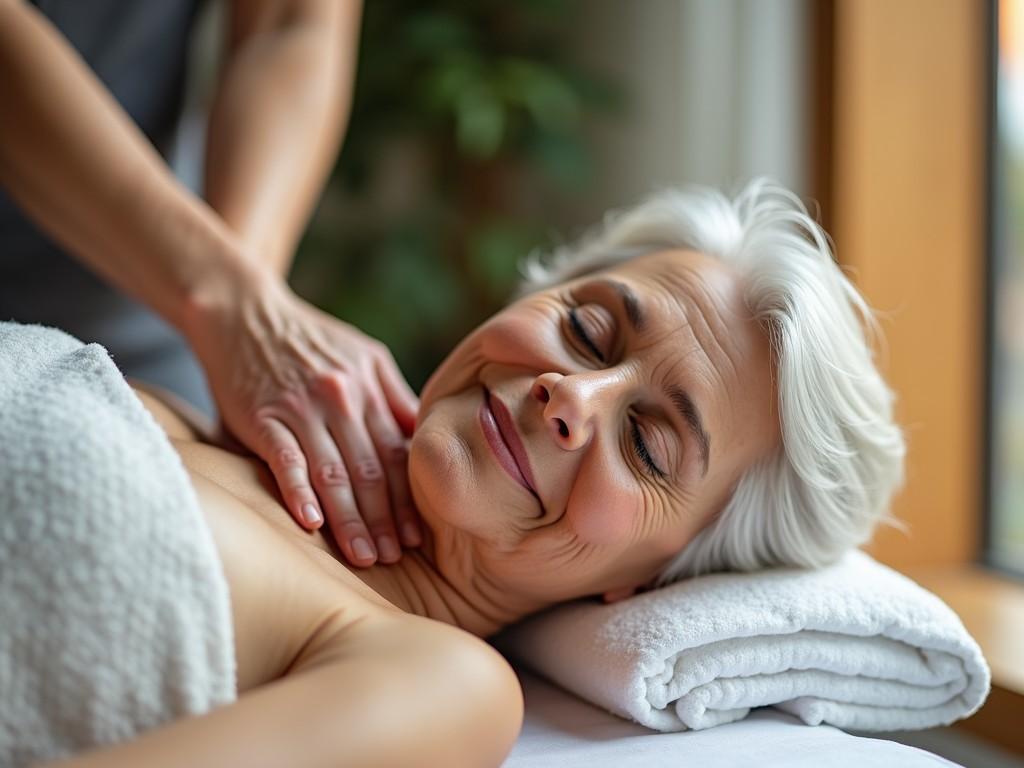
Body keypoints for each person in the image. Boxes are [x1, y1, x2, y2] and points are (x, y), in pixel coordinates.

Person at [38, 181, 904, 766]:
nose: (571, 393)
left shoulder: (444, 681)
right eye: (591, 332)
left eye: (647, 447)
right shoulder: (191, 414)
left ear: (652, 582)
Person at [0, 0, 422, 570]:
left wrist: (245, 311)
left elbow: (291, 21)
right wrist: (228, 301)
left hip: (146, 292)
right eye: (578, 327)